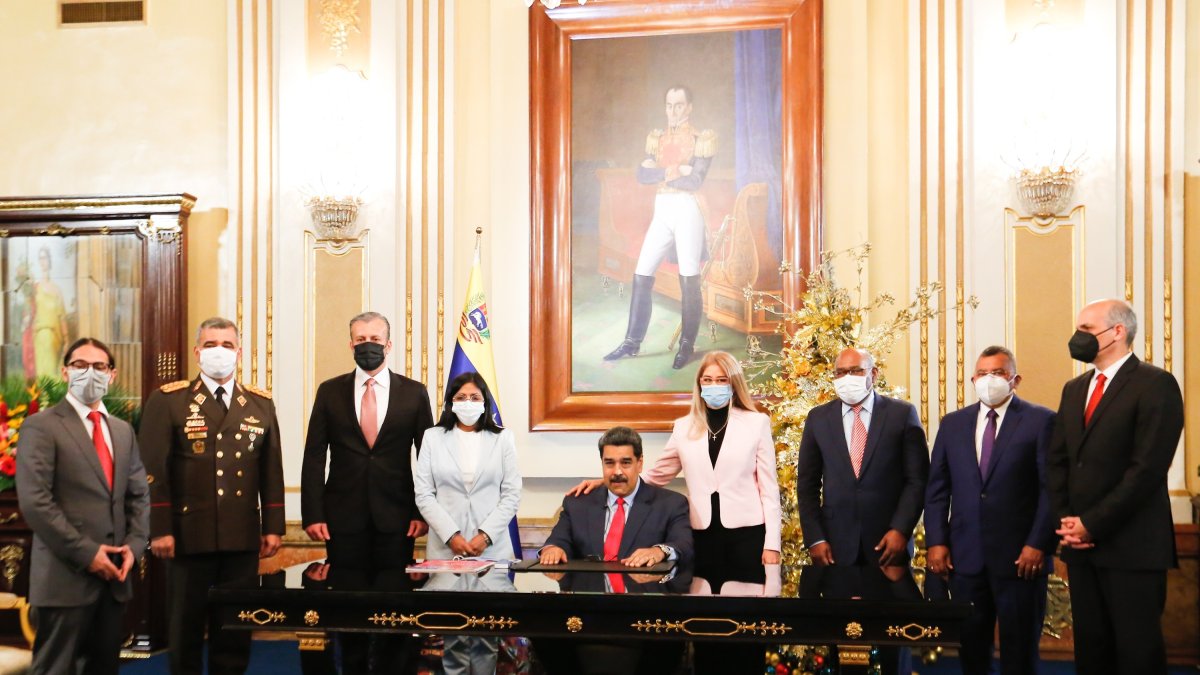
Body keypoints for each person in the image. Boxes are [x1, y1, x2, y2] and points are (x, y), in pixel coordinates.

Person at [139, 317, 285, 675]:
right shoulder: (169, 400)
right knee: (185, 628)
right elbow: (151, 470)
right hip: (188, 535)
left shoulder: (259, 403)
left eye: (226, 344)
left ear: (239, 352)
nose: (218, 351)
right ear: (196, 351)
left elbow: (271, 469)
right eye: (210, 344)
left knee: (235, 627)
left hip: (241, 535)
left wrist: (274, 526)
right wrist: (159, 528)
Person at [1046, 299, 1183, 675]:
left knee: (1137, 652)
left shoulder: (1156, 385)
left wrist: (1093, 523)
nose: (1078, 337)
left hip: (1133, 547)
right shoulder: (1074, 389)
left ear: (1118, 332)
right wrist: (1068, 521)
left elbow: (1147, 469)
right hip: (1081, 548)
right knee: (1092, 651)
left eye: (1087, 330)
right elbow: (1058, 461)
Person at [301, 311, 434, 674]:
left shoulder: (414, 393)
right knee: (348, 610)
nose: (368, 346)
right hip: (342, 521)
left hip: (398, 520)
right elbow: (314, 456)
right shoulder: (330, 391)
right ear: (350, 345)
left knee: (395, 610)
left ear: (389, 345)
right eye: (360, 340)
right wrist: (312, 514)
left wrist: (423, 513)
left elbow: (429, 458)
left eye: (375, 339)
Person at [17, 337, 149, 675]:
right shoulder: (41, 426)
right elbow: (36, 502)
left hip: (115, 579)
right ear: (65, 372)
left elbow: (138, 496)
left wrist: (134, 547)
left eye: (99, 367)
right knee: (56, 669)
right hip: (65, 579)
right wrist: (88, 554)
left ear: (112, 375)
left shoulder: (121, 431)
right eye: (80, 365)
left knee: (103, 669)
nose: (90, 373)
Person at [924, 346, 1056, 675]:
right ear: (972, 379)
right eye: (982, 374)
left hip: (1021, 561)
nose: (989, 380)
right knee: (972, 652)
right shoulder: (953, 424)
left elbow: (1051, 490)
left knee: (1020, 653)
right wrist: (937, 542)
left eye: (997, 373)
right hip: (965, 559)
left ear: (1015, 379)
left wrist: (1038, 544)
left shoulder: (1041, 421)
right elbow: (937, 488)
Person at [538, 426, 692, 674]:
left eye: (626, 463)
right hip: (586, 612)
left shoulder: (670, 504)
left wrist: (659, 551)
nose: (617, 472)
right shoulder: (578, 502)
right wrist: (553, 548)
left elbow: (683, 544)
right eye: (609, 463)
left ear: (640, 463)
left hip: (646, 615)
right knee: (544, 633)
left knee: (666, 643)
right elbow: (559, 538)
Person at [414, 371, 522, 675]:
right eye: (461, 397)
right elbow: (424, 493)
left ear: (485, 403)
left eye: (475, 397)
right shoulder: (433, 437)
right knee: (453, 631)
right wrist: (452, 536)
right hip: (447, 550)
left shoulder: (503, 438)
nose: (468, 403)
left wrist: (484, 536)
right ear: (450, 402)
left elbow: (512, 494)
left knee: (488, 630)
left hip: (492, 549)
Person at [604, 84, 717, 370]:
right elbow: (642, 174)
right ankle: (632, 342)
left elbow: (695, 182)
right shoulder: (656, 139)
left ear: (689, 107)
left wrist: (664, 174)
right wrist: (674, 171)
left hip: (688, 210)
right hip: (663, 211)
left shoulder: (701, 139)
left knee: (689, 277)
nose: (673, 111)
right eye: (669, 105)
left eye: (679, 105)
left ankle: (686, 346)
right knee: (642, 274)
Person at [796, 347, 929, 568]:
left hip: (889, 545)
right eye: (840, 373)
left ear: (873, 374)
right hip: (835, 546)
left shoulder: (902, 414)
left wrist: (901, 530)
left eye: (856, 371)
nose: (847, 378)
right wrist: (816, 538)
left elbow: (917, 480)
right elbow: (807, 484)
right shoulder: (818, 419)